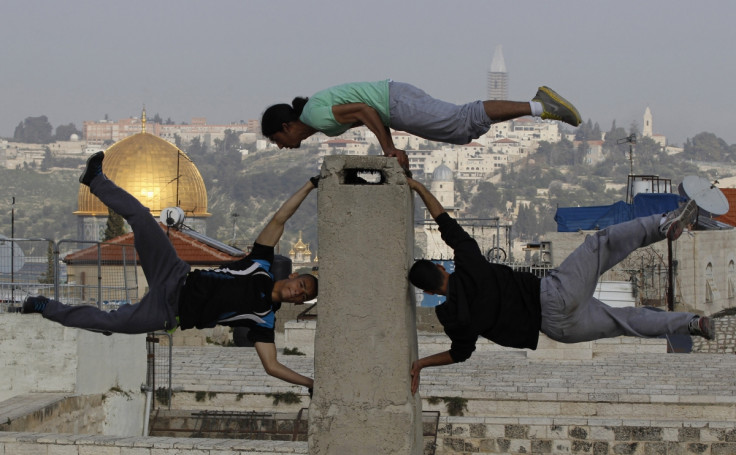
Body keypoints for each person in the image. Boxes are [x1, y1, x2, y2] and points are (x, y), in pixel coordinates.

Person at [22, 151, 319, 392]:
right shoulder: (261, 265)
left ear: (296, 302)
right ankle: (95, 180)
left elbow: (272, 366)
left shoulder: (263, 320)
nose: (298, 292)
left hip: (168, 311)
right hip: (175, 274)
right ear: (294, 276)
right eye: (302, 284)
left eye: (302, 296)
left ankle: (43, 306)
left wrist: (310, 384)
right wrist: (310, 185)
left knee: (107, 321)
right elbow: (280, 219)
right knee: (142, 218)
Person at [406, 178, 715, 395]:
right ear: (439, 267)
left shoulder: (455, 320)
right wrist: (419, 187)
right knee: (601, 244)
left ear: (431, 293)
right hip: (553, 295)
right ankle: (662, 224)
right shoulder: (469, 264)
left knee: (627, 322)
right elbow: (444, 221)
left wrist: (421, 363)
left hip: (560, 331)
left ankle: (691, 324)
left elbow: (459, 354)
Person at [261, 80, 581, 169]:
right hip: (396, 101)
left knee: (461, 119)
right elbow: (365, 111)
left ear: (286, 126)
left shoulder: (314, 116)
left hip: (396, 103)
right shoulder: (315, 116)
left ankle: (541, 106)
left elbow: (364, 110)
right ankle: (541, 105)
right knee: (463, 131)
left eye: (276, 139)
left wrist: (388, 149)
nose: (280, 146)